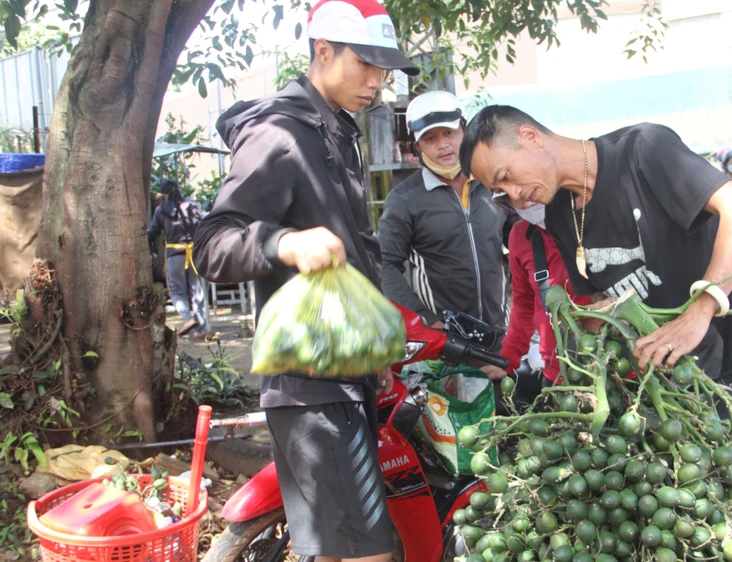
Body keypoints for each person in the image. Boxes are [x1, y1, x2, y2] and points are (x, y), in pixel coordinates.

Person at [459, 105, 732, 561]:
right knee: (722, 525)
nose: (514, 194)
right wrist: (589, 376)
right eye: (500, 191)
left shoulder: (641, 151)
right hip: (677, 387)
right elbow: (603, 306)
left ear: (531, 136)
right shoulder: (559, 215)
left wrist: (700, 310)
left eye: (507, 175)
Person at [192, 1, 418, 560]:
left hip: (345, 373)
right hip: (313, 383)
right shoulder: (279, 133)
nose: (377, 81)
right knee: (370, 550)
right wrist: (285, 243)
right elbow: (212, 242)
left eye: (384, 69)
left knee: (334, 548)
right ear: (323, 51)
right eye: (366, 64)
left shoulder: (336, 132)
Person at [378, 91, 509, 342]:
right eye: (430, 138)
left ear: (465, 131)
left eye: (449, 133)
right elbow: (385, 265)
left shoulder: (491, 183)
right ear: (417, 147)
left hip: (499, 332)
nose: (443, 145)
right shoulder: (404, 199)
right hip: (444, 339)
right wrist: (424, 318)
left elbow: (521, 240)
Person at [480, 199, 591, 385]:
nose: (521, 196)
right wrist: (508, 357)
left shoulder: (597, 221)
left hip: (616, 364)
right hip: (558, 373)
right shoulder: (522, 236)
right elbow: (524, 303)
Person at [147, 180, 207, 339]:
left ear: (164, 194)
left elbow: (153, 232)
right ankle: (201, 330)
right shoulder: (193, 206)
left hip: (175, 253)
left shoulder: (161, 210)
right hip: (194, 253)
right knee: (196, 290)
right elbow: (203, 223)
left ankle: (187, 319)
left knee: (176, 290)